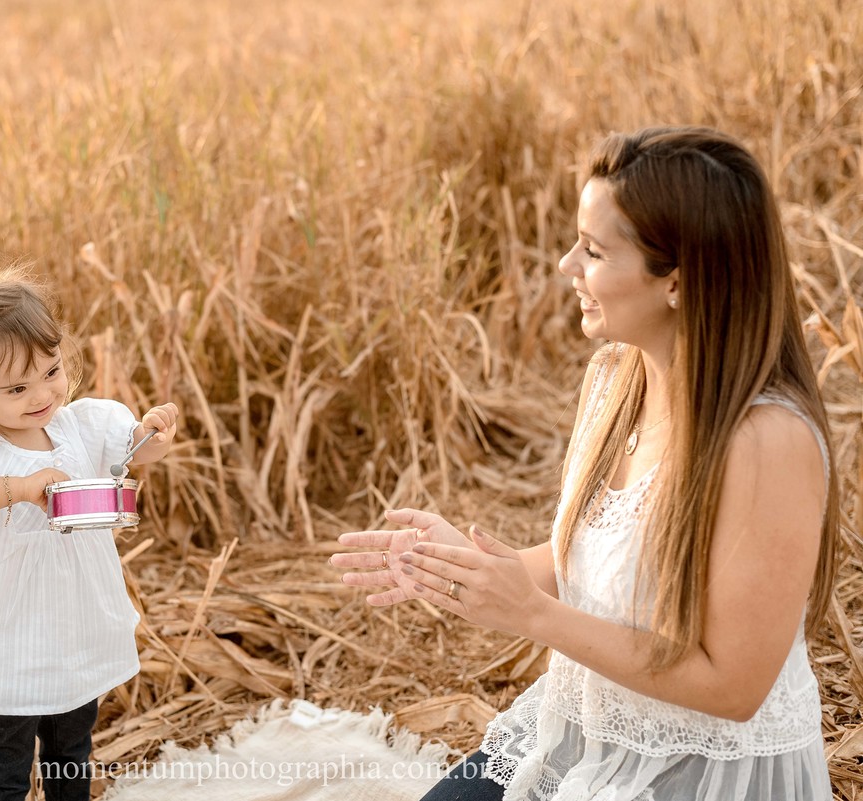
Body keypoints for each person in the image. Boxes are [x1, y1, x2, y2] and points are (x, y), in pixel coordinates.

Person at [332, 126, 839, 801]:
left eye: (594, 251)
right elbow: (607, 562)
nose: (568, 265)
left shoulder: (768, 441)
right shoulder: (614, 379)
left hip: (701, 772)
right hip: (584, 734)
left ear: (678, 282)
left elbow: (733, 685)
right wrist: (465, 569)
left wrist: (534, 616)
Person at [0, 268, 179, 801]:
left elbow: (135, 450)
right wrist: (20, 486)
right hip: (7, 646)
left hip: (74, 633)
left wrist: (153, 433)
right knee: (4, 771)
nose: (40, 395)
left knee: (70, 759)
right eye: (15, 388)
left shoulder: (82, 426)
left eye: (51, 372)